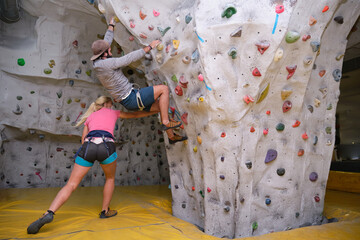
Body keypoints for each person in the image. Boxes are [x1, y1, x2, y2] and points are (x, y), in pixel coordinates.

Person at [27, 96, 156, 234]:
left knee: (71, 184)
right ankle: (105, 211)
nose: (112, 107)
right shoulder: (113, 112)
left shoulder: (90, 116)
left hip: (89, 146)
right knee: (110, 178)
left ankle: (49, 213)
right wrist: (155, 110)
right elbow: (135, 114)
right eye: (111, 104)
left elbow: (83, 140)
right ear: (106, 104)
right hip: (106, 144)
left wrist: (90, 153)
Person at [91, 17, 187, 144]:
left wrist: (111, 25)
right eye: (108, 51)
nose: (110, 50)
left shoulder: (98, 63)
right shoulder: (107, 64)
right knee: (164, 89)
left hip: (129, 101)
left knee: (162, 107)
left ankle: (171, 137)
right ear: (104, 54)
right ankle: (166, 122)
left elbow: (105, 43)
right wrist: (148, 48)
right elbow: (127, 59)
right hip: (132, 98)